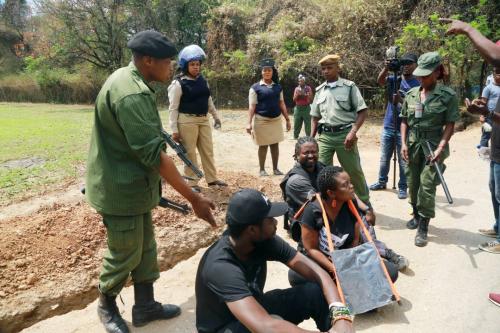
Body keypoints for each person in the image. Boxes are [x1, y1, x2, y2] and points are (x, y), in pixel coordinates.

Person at [85, 30, 216, 333]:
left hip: (134, 185)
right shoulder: (132, 93)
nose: (172, 67)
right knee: (124, 251)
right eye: (168, 61)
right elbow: (156, 157)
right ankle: (106, 307)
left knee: (145, 247)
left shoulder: (127, 78)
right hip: (121, 189)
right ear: (148, 61)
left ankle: (145, 306)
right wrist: (194, 198)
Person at [195, 188, 355, 333]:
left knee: (313, 292)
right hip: (225, 328)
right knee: (275, 325)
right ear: (252, 229)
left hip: (255, 309)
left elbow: (317, 273)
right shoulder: (221, 266)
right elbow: (265, 326)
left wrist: (341, 315)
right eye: (270, 219)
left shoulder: (264, 240)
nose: (276, 222)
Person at [281, 137, 408, 271]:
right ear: (296, 154)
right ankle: (365, 255)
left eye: (314, 151)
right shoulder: (296, 181)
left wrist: (366, 208)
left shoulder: (322, 167)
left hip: (329, 211)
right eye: (306, 153)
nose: (311, 155)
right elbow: (320, 202)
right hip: (309, 221)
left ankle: (375, 251)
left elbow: (346, 190)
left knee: (360, 217)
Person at [400, 51, 459, 247]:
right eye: (419, 75)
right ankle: (416, 214)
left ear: (437, 72)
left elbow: (450, 123)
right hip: (413, 144)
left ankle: (423, 226)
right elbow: (404, 121)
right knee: (412, 182)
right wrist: (403, 143)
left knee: (426, 185)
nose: (421, 79)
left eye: (425, 75)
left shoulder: (447, 96)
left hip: (433, 145)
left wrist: (441, 147)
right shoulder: (412, 94)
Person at [310, 54, 371, 205]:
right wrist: (311, 140)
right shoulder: (320, 90)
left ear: (338, 68)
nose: (326, 71)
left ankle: (364, 202)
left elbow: (362, 111)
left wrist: (353, 132)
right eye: (323, 69)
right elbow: (315, 117)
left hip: (345, 135)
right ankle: (328, 203)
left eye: (329, 68)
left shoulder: (349, 87)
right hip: (325, 136)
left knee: (353, 171)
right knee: (322, 172)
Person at [167, 44, 227, 192]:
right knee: (189, 152)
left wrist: (215, 117)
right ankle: (192, 183)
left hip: (203, 120)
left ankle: (212, 179)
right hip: (186, 121)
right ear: (185, 66)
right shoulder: (178, 83)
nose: (196, 67)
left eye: (198, 64)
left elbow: (209, 100)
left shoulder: (202, 81)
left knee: (207, 150)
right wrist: (174, 129)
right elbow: (173, 108)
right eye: (192, 64)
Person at [369, 54, 420, 199]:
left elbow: (417, 111)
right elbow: (380, 81)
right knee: (385, 158)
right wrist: (386, 68)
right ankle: (381, 181)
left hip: (404, 128)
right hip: (389, 125)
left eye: (409, 63)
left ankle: (403, 186)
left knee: (404, 160)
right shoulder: (395, 79)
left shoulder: (418, 84)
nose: (406, 66)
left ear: (416, 65)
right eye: (404, 63)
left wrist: (400, 101)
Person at [246, 59, 291, 176]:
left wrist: (287, 119)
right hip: (262, 121)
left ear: (272, 72)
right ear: (261, 72)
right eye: (265, 70)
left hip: (276, 121)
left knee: (275, 144)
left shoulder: (278, 87)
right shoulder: (255, 88)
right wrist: (249, 123)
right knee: (263, 145)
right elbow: (252, 106)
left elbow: (282, 103)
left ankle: (276, 169)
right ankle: (262, 169)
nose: (267, 72)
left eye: (269, 70)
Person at [477, 67, 500, 149]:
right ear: (493, 74)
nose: (499, 74)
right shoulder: (488, 88)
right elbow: (483, 104)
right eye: (497, 72)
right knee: (486, 136)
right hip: (490, 117)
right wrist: (482, 116)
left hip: (499, 117)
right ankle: (483, 153)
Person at [293, 74, 313, 139]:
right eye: (299, 81)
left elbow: (311, 99)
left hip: (306, 108)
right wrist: (298, 95)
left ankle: (308, 137)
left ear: (304, 81)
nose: (300, 82)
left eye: (301, 81)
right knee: (296, 123)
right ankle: (295, 136)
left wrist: (307, 95)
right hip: (298, 108)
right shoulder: (297, 88)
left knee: (307, 124)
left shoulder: (308, 88)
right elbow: (294, 99)